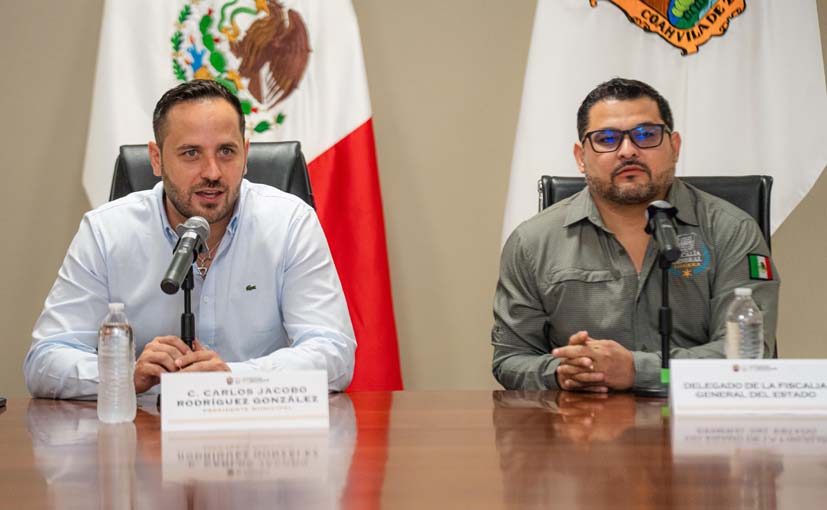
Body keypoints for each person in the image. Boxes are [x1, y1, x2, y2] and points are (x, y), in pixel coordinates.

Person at [25, 80, 356, 398]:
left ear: (245, 155)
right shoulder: (106, 232)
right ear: (157, 159)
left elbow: (334, 351)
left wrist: (233, 378)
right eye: (191, 153)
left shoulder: (290, 224)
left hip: (257, 427)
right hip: (146, 430)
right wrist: (124, 375)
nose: (212, 172)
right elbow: (45, 359)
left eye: (226, 151)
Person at [491, 77, 779, 393]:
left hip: (700, 419)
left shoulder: (731, 230)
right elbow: (510, 359)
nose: (628, 151)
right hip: (582, 420)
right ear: (580, 157)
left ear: (674, 146)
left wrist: (635, 370)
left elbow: (748, 357)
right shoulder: (532, 243)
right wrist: (563, 372)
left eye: (646, 135)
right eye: (606, 139)